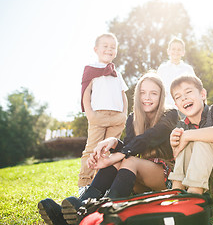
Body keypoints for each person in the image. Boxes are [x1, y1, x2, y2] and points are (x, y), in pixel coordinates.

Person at [38, 73, 178, 225]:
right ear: (137, 95)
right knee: (119, 160)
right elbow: (130, 144)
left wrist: (119, 153)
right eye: (143, 93)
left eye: (153, 93)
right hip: (139, 179)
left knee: (128, 160)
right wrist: (113, 142)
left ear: (161, 96)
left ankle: (108, 216)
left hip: (166, 178)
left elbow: (150, 137)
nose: (147, 97)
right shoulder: (133, 118)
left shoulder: (170, 114)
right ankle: (80, 208)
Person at [78, 33, 128, 191]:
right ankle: (84, 183)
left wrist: (124, 114)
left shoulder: (117, 74)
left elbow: (123, 95)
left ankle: (101, 185)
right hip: (98, 116)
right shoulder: (91, 70)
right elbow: (85, 94)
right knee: (92, 150)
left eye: (113, 47)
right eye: (105, 46)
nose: (109, 49)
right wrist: (90, 115)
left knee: (108, 153)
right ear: (96, 49)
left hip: (117, 118)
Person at [157, 37, 196, 108]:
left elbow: (194, 89)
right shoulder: (162, 69)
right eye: (173, 49)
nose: (176, 52)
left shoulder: (188, 69)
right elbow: (158, 89)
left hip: (185, 107)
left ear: (183, 52)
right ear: (168, 51)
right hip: (166, 108)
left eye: (179, 49)